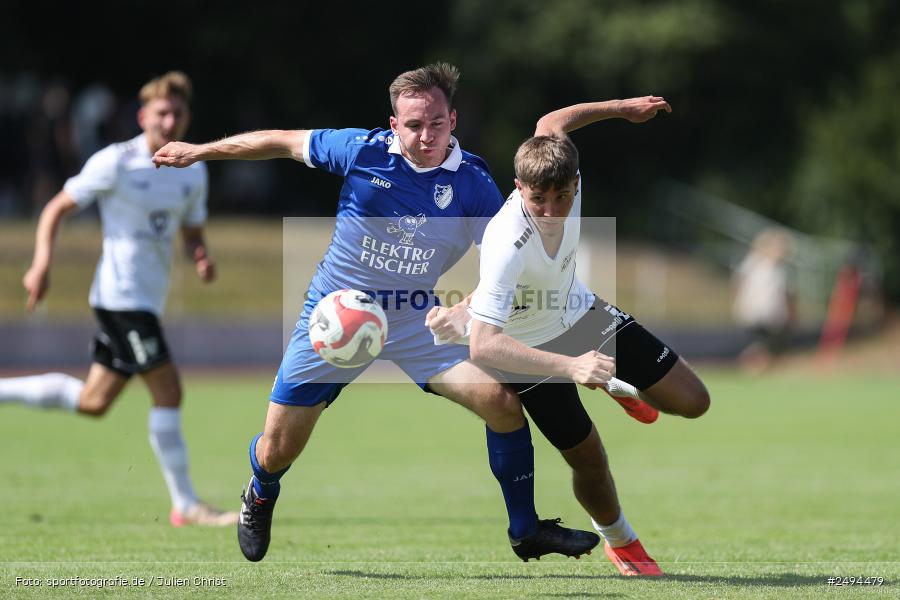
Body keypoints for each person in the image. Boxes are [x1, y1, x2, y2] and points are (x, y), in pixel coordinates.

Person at [152, 63, 599, 562]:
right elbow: (279, 139)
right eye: (413, 125)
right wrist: (199, 151)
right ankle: (260, 490)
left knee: (500, 403)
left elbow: (504, 264)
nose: (425, 135)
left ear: (453, 120)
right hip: (335, 315)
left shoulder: (473, 183)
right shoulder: (360, 150)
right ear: (394, 125)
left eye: (436, 123)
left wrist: (471, 308)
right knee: (278, 449)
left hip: (413, 319)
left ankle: (526, 530)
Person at [427, 97, 711, 575]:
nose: (552, 210)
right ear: (519, 188)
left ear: (576, 184)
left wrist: (624, 109)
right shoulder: (504, 241)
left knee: (693, 401)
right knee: (590, 458)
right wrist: (571, 367)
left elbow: (553, 121)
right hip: (526, 351)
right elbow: (484, 346)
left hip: (582, 313)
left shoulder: (557, 162)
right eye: (538, 200)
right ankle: (622, 541)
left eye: (562, 197)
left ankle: (617, 384)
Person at [0, 71, 237, 528]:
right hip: (120, 298)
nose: (169, 121)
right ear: (143, 116)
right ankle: (186, 504)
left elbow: (192, 231)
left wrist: (200, 255)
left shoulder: (194, 169)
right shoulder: (115, 161)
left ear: (186, 117)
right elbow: (55, 209)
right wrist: (41, 265)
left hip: (146, 301)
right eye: (161, 113)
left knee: (94, 402)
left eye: (177, 113)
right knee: (169, 391)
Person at [732, 227, 795, 373]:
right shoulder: (754, 264)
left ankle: (758, 367)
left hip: (773, 315)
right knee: (765, 343)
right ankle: (753, 364)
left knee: (771, 344)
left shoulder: (781, 269)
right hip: (759, 313)